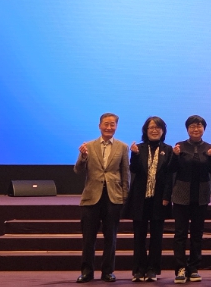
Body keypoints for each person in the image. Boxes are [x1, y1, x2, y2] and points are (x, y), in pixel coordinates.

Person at [74, 113, 130, 283]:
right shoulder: (88, 146)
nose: (109, 127)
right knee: (88, 238)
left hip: (113, 197)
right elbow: (77, 170)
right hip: (92, 197)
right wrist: (83, 156)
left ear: (116, 127)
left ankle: (108, 272)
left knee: (110, 237)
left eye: (112, 124)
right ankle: (87, 272)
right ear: (99, 126)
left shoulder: (122, 147)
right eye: (106, 124)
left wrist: (125, 197)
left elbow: (125, 173)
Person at [123, 116, 174, 282]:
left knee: (157, 237)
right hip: (140, 198)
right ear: (145, 130)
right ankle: (139, 270)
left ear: (163, 131)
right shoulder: (139, 148)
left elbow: (169, 176)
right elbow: (134, 169)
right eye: (151, 127)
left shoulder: (168, 149)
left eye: (158, 128)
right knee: (139, 236)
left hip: (159, 199)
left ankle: (153, 269)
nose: (154, 130)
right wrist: (134, 155)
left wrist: (167, 196)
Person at [170, 115, 211, 284]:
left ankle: (194, 267)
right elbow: (171, 169)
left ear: (204, 129)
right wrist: (175, 156)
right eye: (192, 126)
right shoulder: (180, 146)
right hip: (181, 195)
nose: (195, 129)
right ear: (187, 129)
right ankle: (180, 268)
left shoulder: (209, 147)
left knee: (197, 234)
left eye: (199, 126)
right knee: (180, 233)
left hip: (201, 196)